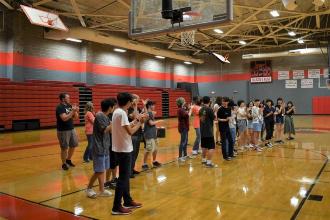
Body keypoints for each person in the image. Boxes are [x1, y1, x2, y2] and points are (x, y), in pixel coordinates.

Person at [112, 92, 144, 215]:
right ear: (128, 102)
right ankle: (116, 206)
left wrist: (136, 120)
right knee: (123, 178)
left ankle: (127, 200)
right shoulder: (122, 113)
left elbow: (125, 128)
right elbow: (130, 132)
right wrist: (140, 123)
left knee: (124, 177)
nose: (132, 103)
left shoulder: (117, 112)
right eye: (131, 101)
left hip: (120, 147)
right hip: (124, 149)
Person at [86, 98, 117, 199]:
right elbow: (104, 130)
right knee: (99, 170)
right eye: (113, 106)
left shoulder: (106, 116)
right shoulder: (99, 116)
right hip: (99, 147)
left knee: (102, 169)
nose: (114, 108)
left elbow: (110, 131)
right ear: (110, 107)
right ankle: (89, 188)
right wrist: (113, 124)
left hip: (105, 147)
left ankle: (101, 190)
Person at [56, 93, 79, 171]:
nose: (69, 99)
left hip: (71, 129)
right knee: (64, 148)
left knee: (73, 145)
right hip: (63, 131)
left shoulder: (69, 106)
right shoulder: (60, 107)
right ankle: (64, 164)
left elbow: (76, 117)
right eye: (68, 97)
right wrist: (72, 111)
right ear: (63, 99)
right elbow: (64, 118)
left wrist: (75, 110)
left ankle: (68, 160)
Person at [142, 100, 163, 171]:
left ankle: (154, 161)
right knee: (148, 149)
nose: (154, 106)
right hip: (149, 134)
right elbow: (151, 123)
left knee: (155, 149)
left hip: (154, 134)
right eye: (153, 105)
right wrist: (159, 121)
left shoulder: (150, 113)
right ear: (150, 106)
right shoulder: (148, 113)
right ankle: (144, 164)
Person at [128, 94, 144, 178]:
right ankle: (129, 171)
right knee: (132, 153)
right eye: (137, 99)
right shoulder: (130, 109)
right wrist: (135, 106)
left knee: (136, 153)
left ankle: (132, 168)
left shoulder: (137, 108)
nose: (138, 101)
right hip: (133, 134)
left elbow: (140, 116)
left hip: (138, 132)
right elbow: (135, 117)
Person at [199, 96, 217, 168]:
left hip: (202, 131)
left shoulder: (201, 109)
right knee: (211, 147)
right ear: (209, 101)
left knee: (204, 146)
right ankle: (209, 163)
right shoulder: (209, 109)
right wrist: (214, 111)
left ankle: (203, 160)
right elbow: (214, 118)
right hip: (209, 131)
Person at [177, 97, 190, 162]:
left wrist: (187, 109)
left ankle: (185, 154)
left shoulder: (182, 109)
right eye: (184, 101)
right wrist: (189, 110)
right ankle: (180, 156)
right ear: (182, 102)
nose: (185, 102)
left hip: (185, 127)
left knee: (186, 141)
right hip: (183, 127)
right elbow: (187, 115)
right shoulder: (180, 110)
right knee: (183, 142)